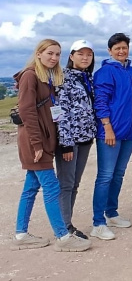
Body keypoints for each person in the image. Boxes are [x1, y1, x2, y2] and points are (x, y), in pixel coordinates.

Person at [12, 39, 91, 252]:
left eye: (57, 54)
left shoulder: (45, 77)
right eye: (49, 53)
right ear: (39, 54)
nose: (54, 58)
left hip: (42, 140)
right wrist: (37, 144)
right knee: (52, 188)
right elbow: (27, 112)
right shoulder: (30, 76)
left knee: (31, 187)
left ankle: (21, 234)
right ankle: (63, 237)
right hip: (34, 142)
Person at [91, 33, 132, 241]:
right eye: (117, 48)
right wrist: (107, 127)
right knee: (105, 176)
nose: (122, 51)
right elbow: (100, 102)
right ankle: (97, 222)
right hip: (110, 133)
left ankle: (111, 213)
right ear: (110, 50)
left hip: (129, 132)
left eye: (124, 47)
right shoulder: (105, 72)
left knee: (118, 174)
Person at [56, 39, 97, 240]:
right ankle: (63, 227)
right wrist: (65, 144)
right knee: (66, 183)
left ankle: (66, 223)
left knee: (74, 184)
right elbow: (60, 113)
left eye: (88, 54)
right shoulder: (63, 79)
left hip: (85, 139)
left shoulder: (86, 78)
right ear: (71, 56)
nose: (85, 57)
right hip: (69, 142)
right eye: (80, 54)